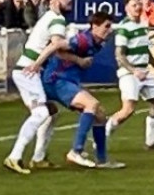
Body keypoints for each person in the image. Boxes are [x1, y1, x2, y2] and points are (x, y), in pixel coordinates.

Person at [30, 11, 123, 169]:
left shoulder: (99, 43)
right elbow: (58, 48)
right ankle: (76, 151)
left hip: (67, 81)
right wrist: (78, 60)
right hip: (56, 80)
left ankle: (102, 160)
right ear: (94, 26)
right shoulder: (82, 40)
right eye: (106, 26)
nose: (109, 30)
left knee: (100, 115)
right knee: (91, 105)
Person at [3, 0, 81, 174]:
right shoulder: (57, 19)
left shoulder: (48, 17)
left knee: (51, 112)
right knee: (40, 113)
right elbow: (56, 45)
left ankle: (38, 157)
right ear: (53, 0)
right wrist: (39, 63)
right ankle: (14, 157)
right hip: (28, 71)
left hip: (27, 70)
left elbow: (57, 49)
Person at [106, 0, 154, 151]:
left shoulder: (142, 24)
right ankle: (101, 137)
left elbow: (145, 49)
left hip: (143, 72)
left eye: (139, 4)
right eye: (134, 5)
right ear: (127, 8)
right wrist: (133, 71)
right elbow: (119, 54)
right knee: (127, 110)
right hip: (129, 74)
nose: (138, 7)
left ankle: (150, 143)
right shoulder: (123, 28)